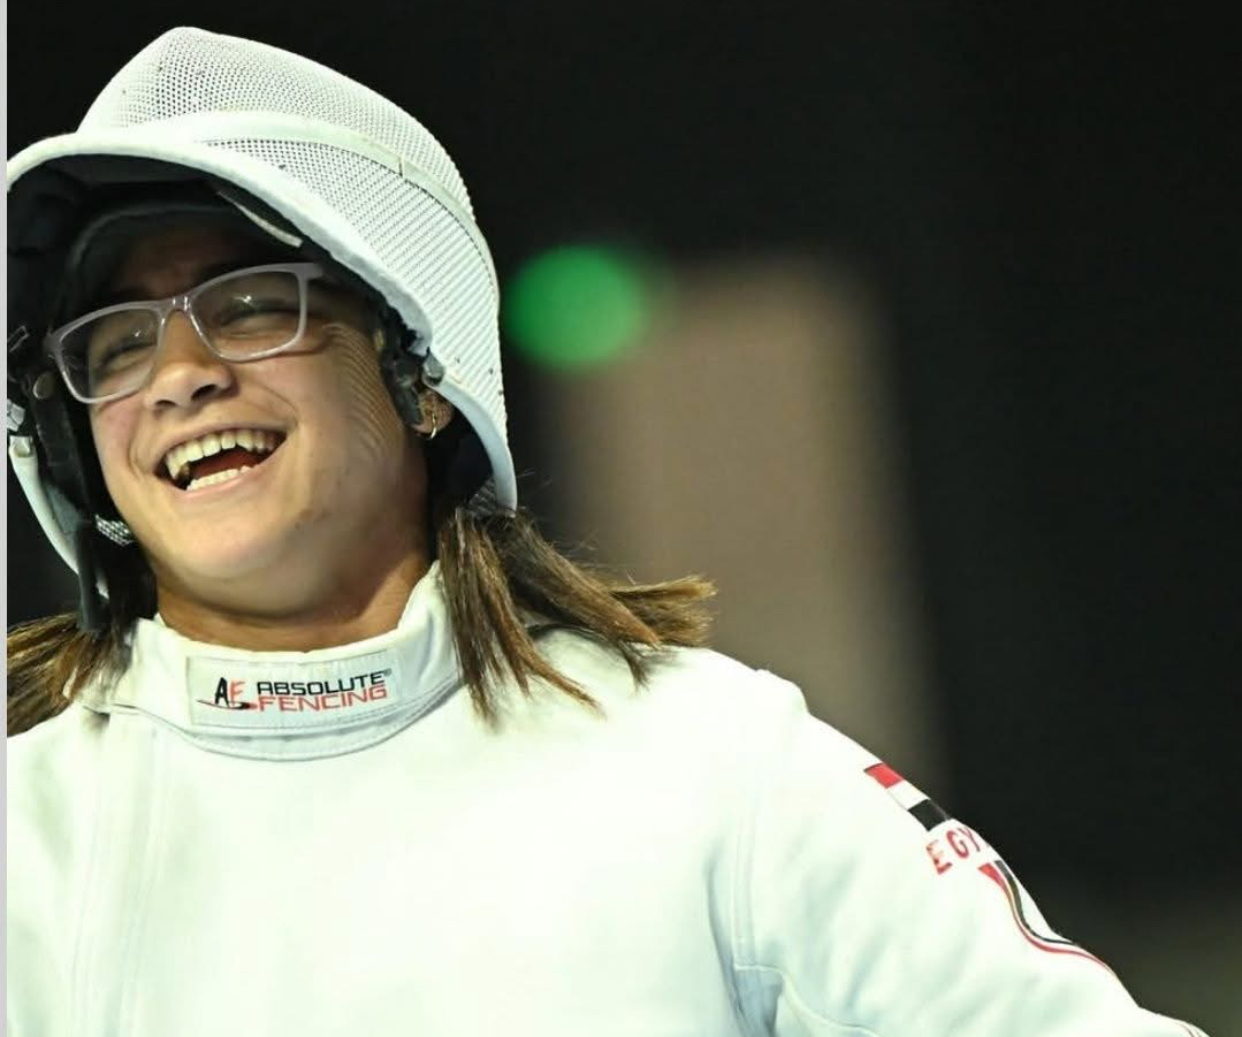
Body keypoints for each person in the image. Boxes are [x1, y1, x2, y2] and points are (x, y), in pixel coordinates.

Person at [5, 27, 1208, 1037]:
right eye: (119, 342)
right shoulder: (25, 839)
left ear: (419, 375)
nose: (180, 374)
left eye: (253, 305)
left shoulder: (714, 767)